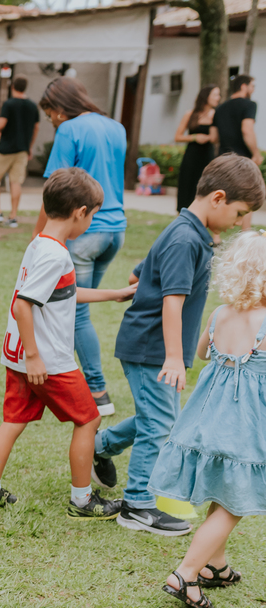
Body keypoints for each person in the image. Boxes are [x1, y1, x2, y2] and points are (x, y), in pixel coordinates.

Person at [93, 155, 265, 535]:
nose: (238, 222)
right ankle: (137, 505)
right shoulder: (186, 238)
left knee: (159, 418)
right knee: (159, 424)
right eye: (239, 213)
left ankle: (101, 444)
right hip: (152, 349)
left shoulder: (190, 232)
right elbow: (172, 300)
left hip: (158, 347)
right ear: (218, 198)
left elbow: (138, 274)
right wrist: (173, 357)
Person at [0, 169, 135, 516]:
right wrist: (35, 357)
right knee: (89, 420)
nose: (90, 222)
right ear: (80, 212)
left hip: (19, 355)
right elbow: (23, 305)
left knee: (14, 420)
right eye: (92, 216)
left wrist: (114, 294)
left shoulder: (40, 244)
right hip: (45, 360)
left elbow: (63, 293)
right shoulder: (55, 255)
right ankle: (82, 500)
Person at [152, 232, 266, 608]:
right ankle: (185, 574)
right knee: (235, 504)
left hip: (208, 418)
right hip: (245, 424)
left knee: (224, 488)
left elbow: (202, 352)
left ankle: (215, 565)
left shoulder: (219, 314)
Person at [36, 77, 128, 417]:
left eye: (50, 114)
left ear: (60, 108)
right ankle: (76, 382)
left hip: (85, 232)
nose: (51, 120)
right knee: (76, 306)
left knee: (74, 309)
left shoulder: (69, 129)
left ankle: (97, 392)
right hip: (115, 230)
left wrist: (39, 236)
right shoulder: (116, 127)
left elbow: (54, 192)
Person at [0, 75, 39, 228]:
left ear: (13, 86)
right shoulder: (33, 106)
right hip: (22, 150)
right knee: (16, 182)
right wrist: (29, 146)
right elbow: (36, 127)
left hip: (5, 149)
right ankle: (13, 216)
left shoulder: (9, 104)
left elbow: (1, 125)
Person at [214, 75, 262, 231]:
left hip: (222, 158)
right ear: (243, 86)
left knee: (222, 196)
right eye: (252, 86)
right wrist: (256, 153)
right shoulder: (249, 105)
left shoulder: (220, 108)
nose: (253, 89)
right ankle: (245, 234)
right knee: (248, 197)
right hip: (242, 159)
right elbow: (247, 130)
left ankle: (215, 236)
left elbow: (215, 137)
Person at [174, 85, 219, 212]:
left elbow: (215, 139)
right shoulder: (190, 114)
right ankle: (182, 213)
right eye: (215, 94)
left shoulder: (216, 115)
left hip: (207, 155)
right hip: (191, 155)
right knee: (187, 184)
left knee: (204, 185)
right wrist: (195, 137)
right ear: (206, 96)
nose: (218, 98)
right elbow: (177, 136)